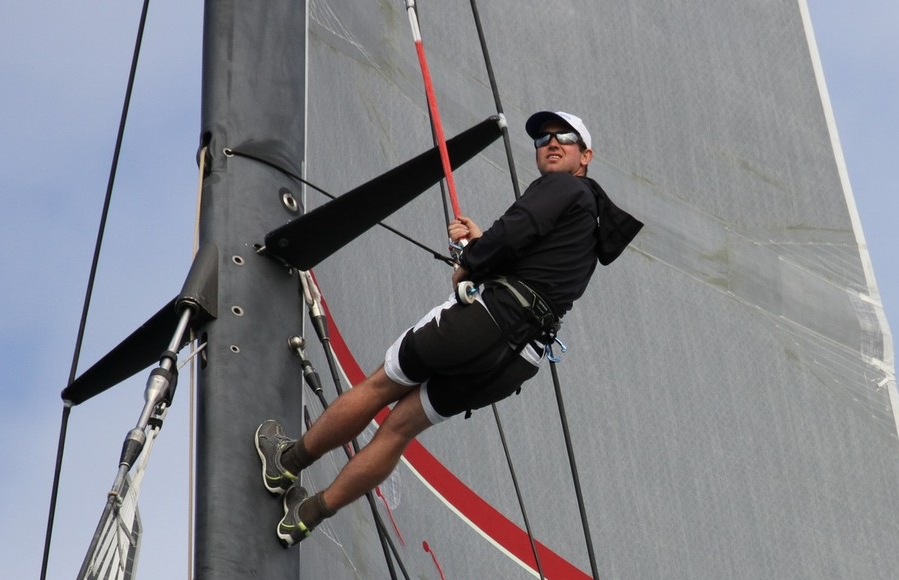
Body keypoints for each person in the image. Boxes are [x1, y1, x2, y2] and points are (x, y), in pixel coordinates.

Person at [254, 111, 642, 546]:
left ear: (585, 156)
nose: (551, 143)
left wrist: (470, 263)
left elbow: (516, 232)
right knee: (400, 430)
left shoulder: (564, 187)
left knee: (380, 388)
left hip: (484, 323)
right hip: (518, 360)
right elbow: (537, 268)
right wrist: (481, 246)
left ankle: (286, 462)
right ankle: (305, 516)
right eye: (542, 139)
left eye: (565, 138)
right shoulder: (591, 229)